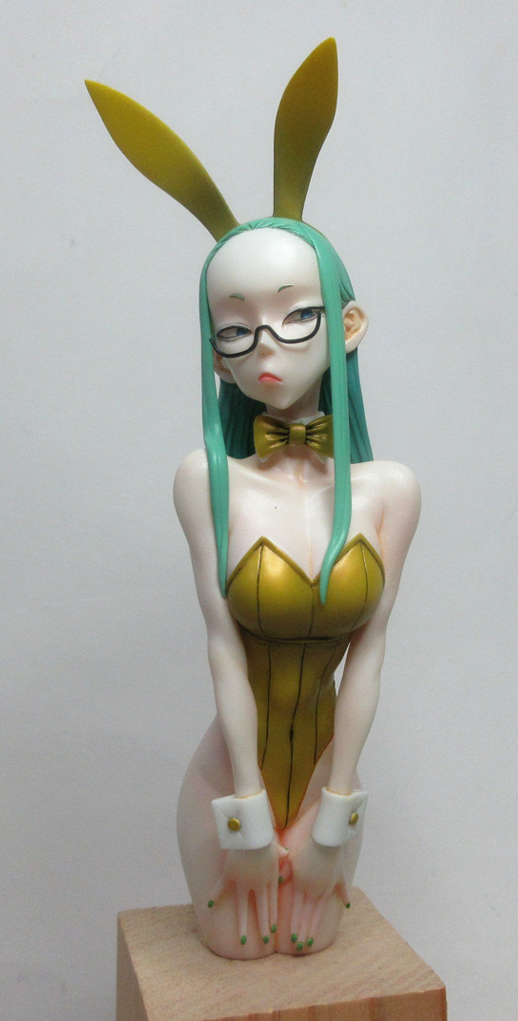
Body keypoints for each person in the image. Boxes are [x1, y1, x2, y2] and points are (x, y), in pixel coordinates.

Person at [86, 39, 420, 960]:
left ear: (347, 324)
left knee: (313, 962)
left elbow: (370, 655)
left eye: (293, 314)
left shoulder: (391, 491)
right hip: (224, 793)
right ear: (215, 352)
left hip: (328, 796)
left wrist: (333, 815)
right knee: (233, 960)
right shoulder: (206, 480)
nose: (264, 344)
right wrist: (242, 817)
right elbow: (222, 647)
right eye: (234, 328)